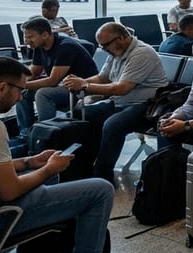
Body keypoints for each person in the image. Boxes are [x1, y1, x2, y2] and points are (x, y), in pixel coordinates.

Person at [0, 57, 134, 253]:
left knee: (54, 181)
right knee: (100, 190)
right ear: (2, 88)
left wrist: (29, 162)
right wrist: (48, 169)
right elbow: (9, 191)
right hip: (1, 217)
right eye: (20, 90)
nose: (20, 98)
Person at [61, 23, 168, 184]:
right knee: (76, 115)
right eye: (100, 46)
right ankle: (82, 165)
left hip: (146, 106)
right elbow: (103, 78)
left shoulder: (142, 53)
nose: (103, 49)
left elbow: (122, 87)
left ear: (123, 37)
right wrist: (79, 81)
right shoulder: (116, 52)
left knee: (113, 125)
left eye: (106, 45)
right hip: (119, 101)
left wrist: (84, 86)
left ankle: (102, 176)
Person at [20, 17, 99, 140]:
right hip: (64, 85)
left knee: (43, 94)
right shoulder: (39, 46)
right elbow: (34, 72)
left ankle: (47, 134)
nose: (26, 41)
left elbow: (52, 81)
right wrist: (17, 82)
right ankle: (27, 133)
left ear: (45, 34)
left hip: (82, 88)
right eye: (25, 37)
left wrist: (21, 84)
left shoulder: (66, 46)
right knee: (22, 92)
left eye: (30, 37)